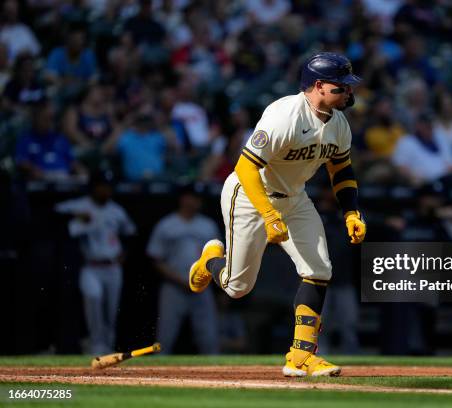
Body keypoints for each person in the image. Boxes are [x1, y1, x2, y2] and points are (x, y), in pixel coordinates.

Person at [189, 52, 366, 376]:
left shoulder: (338, 123)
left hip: (295, 198)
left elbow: (341, 169)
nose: (349, 93)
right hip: (250, 195)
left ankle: (301, 357)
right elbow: (245, 167)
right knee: (237, 287)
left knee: (319, 269)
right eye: (341, 87)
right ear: (318, 86)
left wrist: (352, 212)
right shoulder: (285, 116)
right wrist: (268, 214)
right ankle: (211, 261)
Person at [55, 172, 136, 354]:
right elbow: (53, 212)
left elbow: (130, 233)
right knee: (94, 299)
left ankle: (108, 346)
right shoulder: (81, 205)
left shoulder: (116, 210)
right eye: (101, 186)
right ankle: (95, 345)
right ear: (93, 188)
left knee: (111, 309)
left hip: (113, 266)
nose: (105, 190)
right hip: (90, 266)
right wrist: (75, 216)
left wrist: (124, 254)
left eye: (108, 186)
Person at [147, 184, 221, 354]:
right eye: (192, 197)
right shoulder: (167, 224)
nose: (195, 201)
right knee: (165, 336)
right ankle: (157, 375)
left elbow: (217, 258)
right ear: (183, 199)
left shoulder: (207, 226)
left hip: (202, 287)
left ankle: (216, 375)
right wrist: (180, 280)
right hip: (173, 286)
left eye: (197, 198)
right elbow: (155, 258)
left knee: (209, 338)